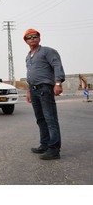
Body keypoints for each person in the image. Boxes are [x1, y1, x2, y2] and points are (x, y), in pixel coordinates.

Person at [24, 29, 65, 160]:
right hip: (34, 90)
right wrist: (29, 91)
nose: (32, 39)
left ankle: (54, 150)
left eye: (34, 36)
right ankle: (45, 144)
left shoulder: (48, 51)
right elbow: (30, 75)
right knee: (40, 119)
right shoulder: (28, 56)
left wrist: (58, 83)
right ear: (26, 41)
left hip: (45, 89)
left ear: (39, 38)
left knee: (50, 119)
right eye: (29, 37)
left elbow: (57, 65)